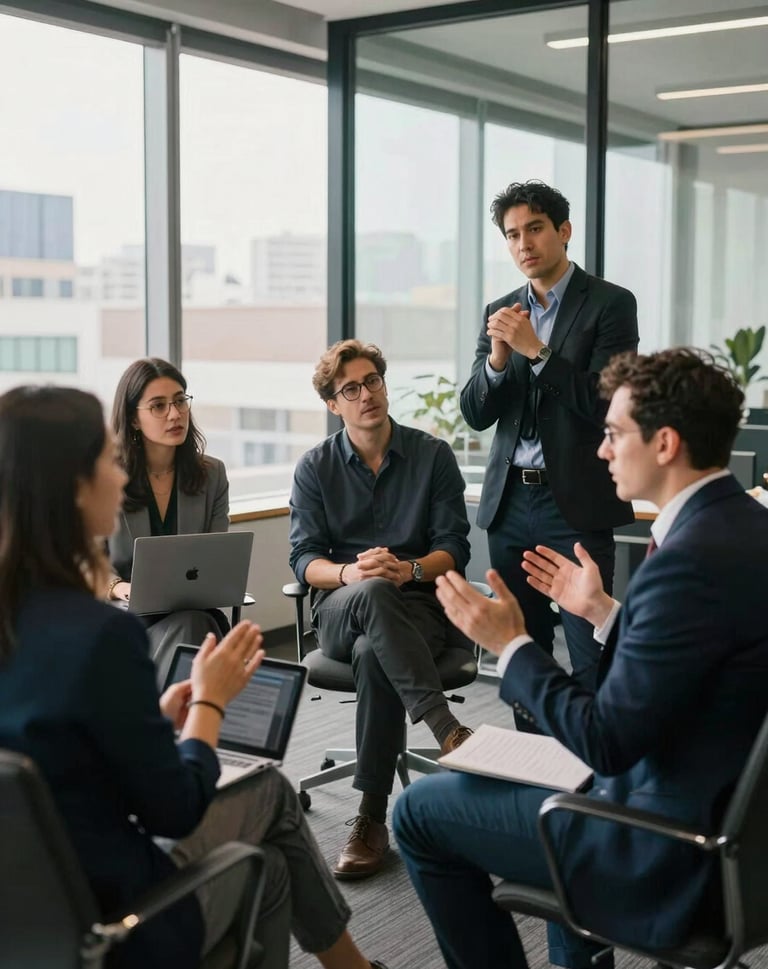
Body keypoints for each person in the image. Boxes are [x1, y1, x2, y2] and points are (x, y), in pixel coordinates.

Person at [394, 348, 768, 969]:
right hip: (733, 828)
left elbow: (606, 740)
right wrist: (604, 614)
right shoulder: (745, 528)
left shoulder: (685, 562)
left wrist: (510, 644)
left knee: (417, 813)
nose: (601, 451)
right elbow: (705, 665)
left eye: (615, 435)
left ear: (666, 443)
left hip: (664, 847)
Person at [0, 385, 389, 969]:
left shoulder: (23, 619)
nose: (118, 474)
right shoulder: (101, 637)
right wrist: (208, 705)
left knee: (270, 853)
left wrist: (150, 720)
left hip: (26, 918)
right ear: (76, 487)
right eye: (107, 459)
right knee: (270, 821)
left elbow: (45, 749)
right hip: (117, 921)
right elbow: (174, 810)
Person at [289, 339, 473, 879]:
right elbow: (303, 559)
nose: (366, 394)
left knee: (376, 652)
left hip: (416, 605)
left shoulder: (431, 455)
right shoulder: (315, 468)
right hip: (340, 609)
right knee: (369, 595)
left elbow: (454, 547)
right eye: (351, 388)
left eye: (373, 381)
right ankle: (445, 728)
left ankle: (371, 819)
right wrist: (351, 573)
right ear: (333, 403)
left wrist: (410, 569)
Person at [460, 180, 638, 714]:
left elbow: (606, 401)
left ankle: (595, 780)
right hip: (511, 504)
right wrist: (497, 358)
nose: (523, 244)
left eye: (534, 229)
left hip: (575, 506)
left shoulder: (610, 303)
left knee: (590, 650)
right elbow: (475, 413)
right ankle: (533, 771)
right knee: (524, 650)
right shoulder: (501, 310)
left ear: (563, 231)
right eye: (512, 235)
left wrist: (535, 351)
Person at [108, 357, 230, 681]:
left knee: (193, 622)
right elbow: (86, 560)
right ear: (134, 419)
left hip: (192, 609)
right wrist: (120, 588)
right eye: (158, 406)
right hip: (127, 614)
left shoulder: (211, 475)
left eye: (179, 401)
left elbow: (216, 557)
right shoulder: (106, 476)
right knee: (196, 629)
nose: (175, 414)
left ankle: (163, 719)